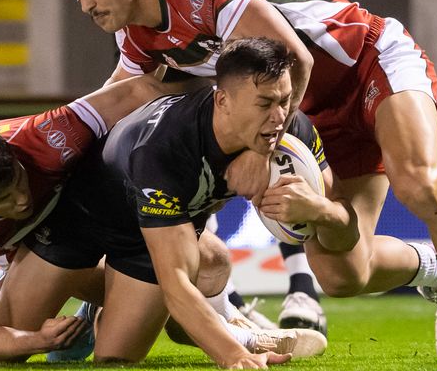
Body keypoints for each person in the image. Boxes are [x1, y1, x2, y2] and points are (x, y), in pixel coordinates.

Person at [54, 0, 437, 364]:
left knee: (420, 183)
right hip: (313, 114)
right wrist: (41, 142)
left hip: (369, 63)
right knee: (344, 273)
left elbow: (294, 58)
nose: (85, 5)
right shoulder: (137, 37)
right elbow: (116, 103)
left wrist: (264, 150)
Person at [0, 74, 302, 366]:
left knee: (209, 266)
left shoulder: (48, 134)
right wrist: (39, 340)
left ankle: (221, 321)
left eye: (20, 181)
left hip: (93, 209)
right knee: (6, 351)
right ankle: (223, 326)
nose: (22, 200)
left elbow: (138, 90)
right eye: (3, 200)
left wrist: (236, 124)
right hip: (58, 237)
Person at [38, 37, 328, 367]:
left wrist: (324, 212)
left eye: (285, 102)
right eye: (265, 104)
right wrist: (235, 356)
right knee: (13, 328)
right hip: (84, 221)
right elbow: (175, 283)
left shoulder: (290, 131)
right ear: (222, 101)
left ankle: (223, 324)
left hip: (147, 236)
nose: (279, 117)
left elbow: (341, 233)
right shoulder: (167, 147)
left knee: (116, 356)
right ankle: (237, 333)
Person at [152, 0, 322, 334]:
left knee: (268, 119)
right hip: (157, 15)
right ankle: (227, 300)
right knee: (184, 148)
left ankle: (301, 285)